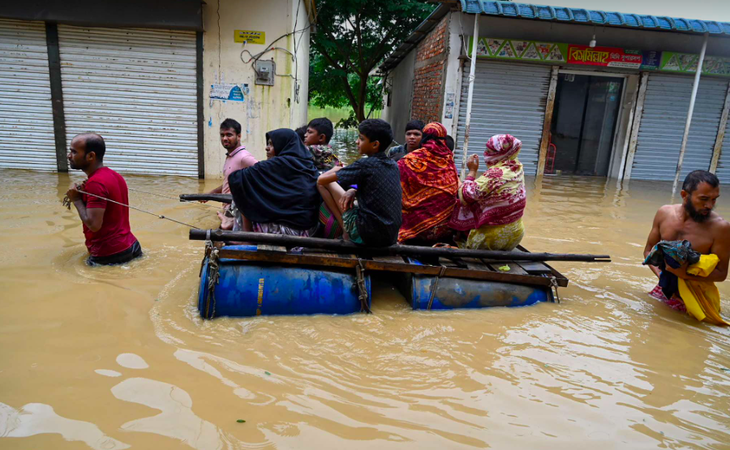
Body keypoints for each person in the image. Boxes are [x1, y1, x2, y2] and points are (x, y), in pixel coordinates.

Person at [643, 170, 730, 315]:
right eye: (704, 199)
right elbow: (648, 251)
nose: (709, 205)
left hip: (696, 298)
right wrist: (662, 276)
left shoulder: (721, 228)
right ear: (685, 195)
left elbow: (721, 274)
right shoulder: (664, 213)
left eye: (714, 199)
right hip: (663, 289)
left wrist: (684, 275)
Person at [317, 119, 401, 246]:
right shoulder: (393, 165)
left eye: (361, 139)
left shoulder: (364, 164)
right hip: (390, 237)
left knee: (324, 184)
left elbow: (321, 179)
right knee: (352, 197)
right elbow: (373, 184)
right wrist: (353, 190)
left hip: (368, 236)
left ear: (374, 144)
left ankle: (345, 230)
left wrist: (337, 168)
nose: (357, 142)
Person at [65, 133, 142, 265]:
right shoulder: (114, 175)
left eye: (74, 152)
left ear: (90, 156)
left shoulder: (95, 183)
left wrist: (77, 199)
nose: (69, 156)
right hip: (131, 245)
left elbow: (94, 225)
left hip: (109, 254)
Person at [228, 128, 320, 236]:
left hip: (284, 233)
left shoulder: (275, 164)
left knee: (242, 184)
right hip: (307, 230)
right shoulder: (308, 165)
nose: (267, 148)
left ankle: (245, 234)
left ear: (282, 146)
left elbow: (235, 178)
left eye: (271, 144)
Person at [449, 134, 526, 251]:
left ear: (499, 154)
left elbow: (466, 195)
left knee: (458, 204)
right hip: (515, 236)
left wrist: (472, 172)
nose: (485, 154)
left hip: (490, 240)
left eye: (489, 151)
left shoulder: (495, 174)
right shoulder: (517, 167)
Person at [397, 122, 458, 244]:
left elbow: (395, 188)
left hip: (413, 230)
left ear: (424, 137)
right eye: (409, 134)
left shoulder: (408, 160)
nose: (412, 137)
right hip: (444, 231)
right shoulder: (448, 161)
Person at [206, 119, 257, 229]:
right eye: (222, 135)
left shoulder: (244, 157)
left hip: (237, 211)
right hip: (228, 209)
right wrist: (211, 194)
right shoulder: (231, 156)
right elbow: (228, 183)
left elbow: (263, 175)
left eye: (229, 135)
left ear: (239, 136)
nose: (224, 138)